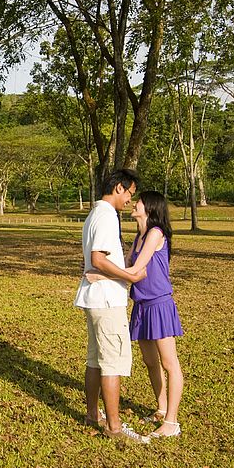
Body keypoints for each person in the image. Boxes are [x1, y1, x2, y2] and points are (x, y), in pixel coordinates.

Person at [87, 190, 184, 439]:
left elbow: (136, 270)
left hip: (159, 305)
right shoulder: (139, 236)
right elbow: (124, 266)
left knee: (169, 364)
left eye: (138, 201)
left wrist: (101, 275)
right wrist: (104, 269)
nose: (133, 203)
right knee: (151, 363)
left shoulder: (155, 233)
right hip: (141, 305)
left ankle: (172, 422)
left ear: (149, 208)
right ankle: (161, 409)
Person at [74, 169, 150, 445]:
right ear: (119, 188)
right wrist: (130, 275)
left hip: (96, 298)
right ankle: (114, 427)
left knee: (95, 359)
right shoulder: (106, 216)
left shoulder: (96, 213)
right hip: (107, 301)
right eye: (130, 193)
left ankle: (94, 415)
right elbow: (98, 258)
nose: (130, 200)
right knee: (111, 363)